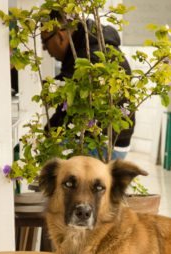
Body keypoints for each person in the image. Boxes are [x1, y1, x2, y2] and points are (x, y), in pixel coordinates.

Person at [40, 12, 135, 160]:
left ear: (59, 36)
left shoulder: (89, 56)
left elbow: (69, 105)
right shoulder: (91, 46)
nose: (45, 48)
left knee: (48, 158)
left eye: (44, 41)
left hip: (103, 145)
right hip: (113, 141)